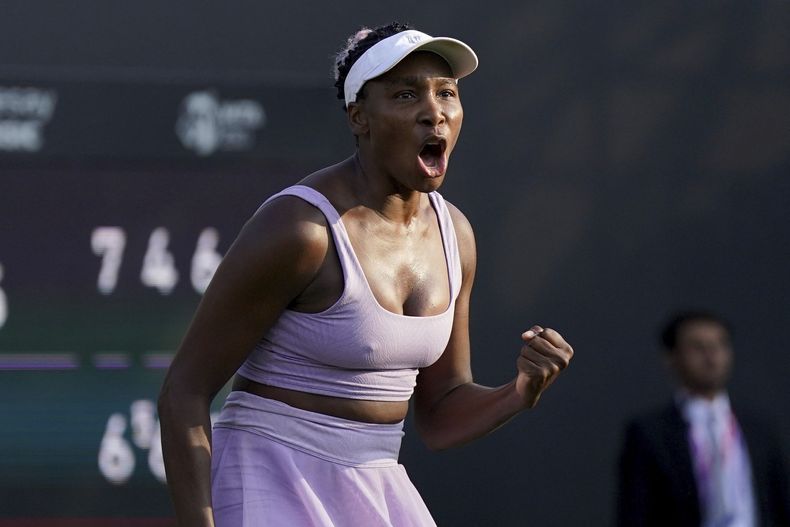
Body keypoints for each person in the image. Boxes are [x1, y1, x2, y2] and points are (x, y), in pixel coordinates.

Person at [158, 22, 574, 527]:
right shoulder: (301, 230)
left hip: (376, 486)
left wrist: (519, 391)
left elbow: (441, 413)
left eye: (446, 92)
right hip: (267, 478)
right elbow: (184, 391)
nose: (434, 112)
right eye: (405, 95)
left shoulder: (456, 235)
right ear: (359, 117)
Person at [616, 310, 790, 527]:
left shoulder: (760, 429)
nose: (711, 356)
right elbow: (635, 512)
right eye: (697, 347)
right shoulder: (650, 432)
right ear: (672, 357)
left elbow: (780, 502)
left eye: (719, 345)